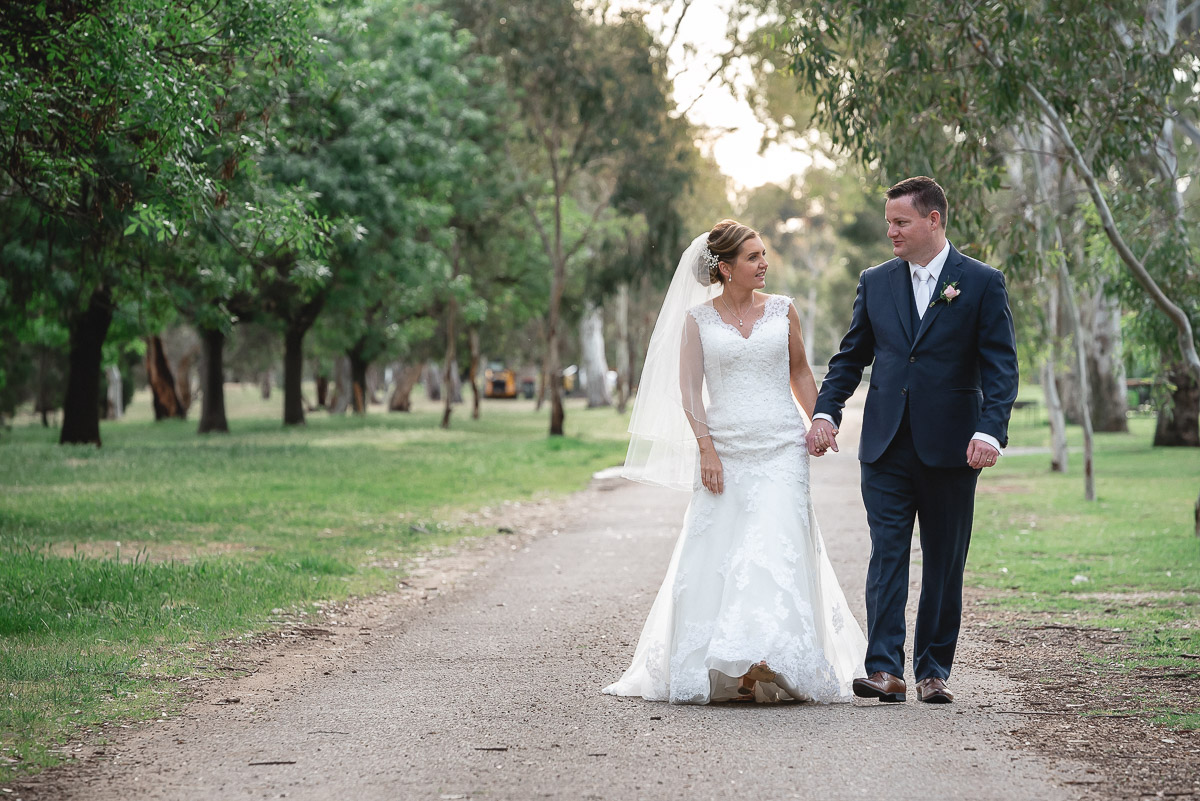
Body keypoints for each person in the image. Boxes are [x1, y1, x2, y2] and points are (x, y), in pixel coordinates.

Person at [604, 219, 867, 704]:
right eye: (753, 257)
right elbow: (689, 392)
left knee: (775, 546)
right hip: (726, 451)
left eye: (764, 254)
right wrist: (707, 450)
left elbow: (799, 372)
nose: (764, 264)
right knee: (725, 553)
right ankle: (731, 661)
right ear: (725, 268)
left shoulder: (784, 311)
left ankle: (769, 659)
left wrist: (820, 421)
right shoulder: (698, 321)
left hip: (781, 449)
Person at [806, 176, 1018, 704]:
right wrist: (826, 412)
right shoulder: (875, 281)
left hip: (952, 448)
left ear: (934, 220)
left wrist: (990, 430)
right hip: (884, 445)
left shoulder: (982, 282)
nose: (891, 231)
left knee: (945, 560)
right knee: (887, 555)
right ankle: (884, 670)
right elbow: (851, 356)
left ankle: (933, 672)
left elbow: (1001, 367)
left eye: (901, 222)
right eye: (889, 222)